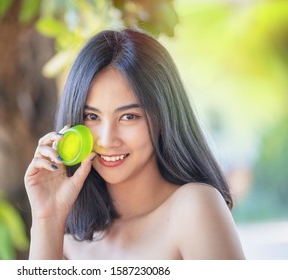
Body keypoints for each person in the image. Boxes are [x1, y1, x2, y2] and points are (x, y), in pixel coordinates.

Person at [24, 28, 246, 260]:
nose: (108, 140)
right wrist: (46, 220)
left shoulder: (194, 208)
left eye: (128, 117)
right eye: (92, 117)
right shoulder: (67, 242)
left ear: (163, 117)